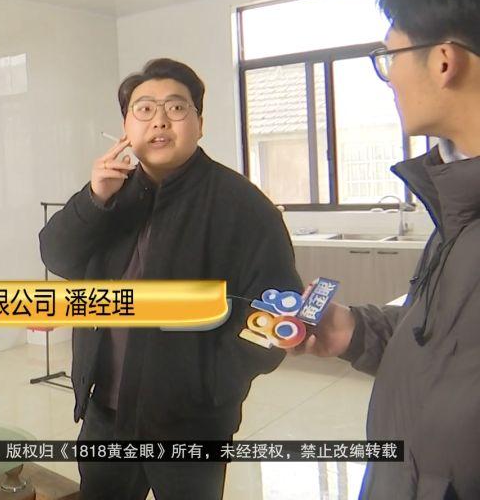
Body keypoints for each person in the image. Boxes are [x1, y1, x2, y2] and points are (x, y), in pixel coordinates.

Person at [39, 58, 303, 500]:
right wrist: (94, 199)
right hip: (107, 415)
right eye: (144, 109)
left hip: (192, 424)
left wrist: (213, 384)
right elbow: (57, 255)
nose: (159, 121)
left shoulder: (243, 206)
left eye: (177, 108)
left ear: (200, 124)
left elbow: (279, 312)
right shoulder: (111, 195)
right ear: (126, 127)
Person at [292, 0, 480, 499]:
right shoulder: (460, 207)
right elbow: (444, 346)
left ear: (443, 61)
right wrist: (351, 330)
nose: (390, 77)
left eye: (390, 56)